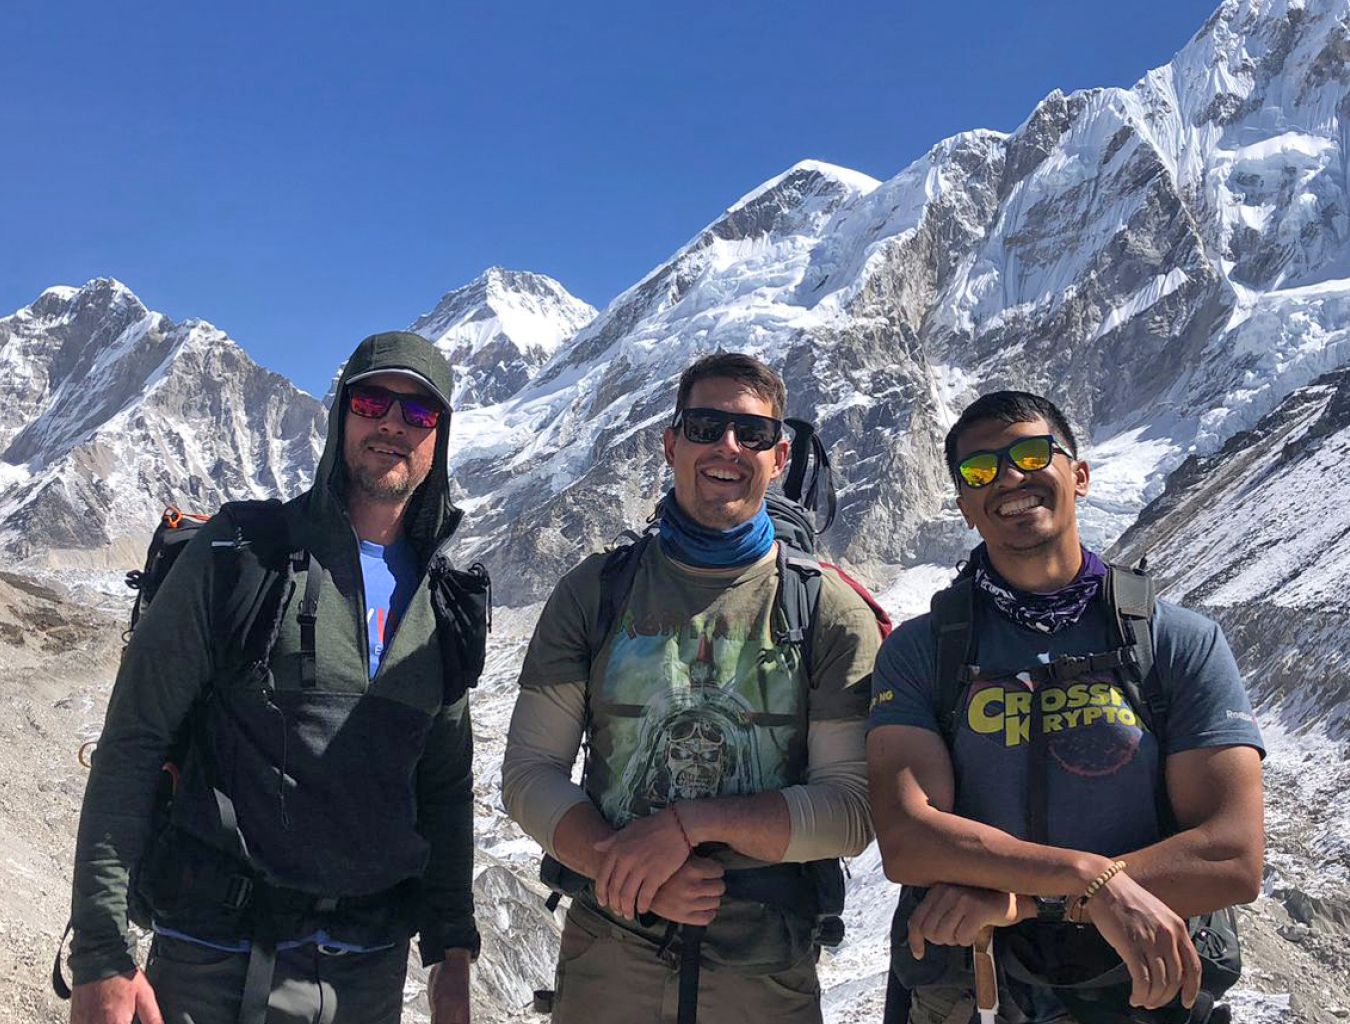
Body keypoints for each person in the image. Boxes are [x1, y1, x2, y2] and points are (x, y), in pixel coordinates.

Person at [67, 331, 483, 1024]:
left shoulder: (442, 605)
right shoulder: (242, 554)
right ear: (341, 412)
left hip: (369, 975)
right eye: (374, 400)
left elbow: (444, 790)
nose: (393, 424)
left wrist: (451, 955)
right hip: (213, 964)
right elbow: (134, 742)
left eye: (419, 413)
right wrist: (102, 955)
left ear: (440, 436)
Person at [501, 352, 879, 1024]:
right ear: (671, 443)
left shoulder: (828, 610)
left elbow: (852, 811)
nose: (727, 447)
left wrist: (687, 828)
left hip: (765, 972)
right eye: (705, 427)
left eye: (752, 433)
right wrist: (633, 870)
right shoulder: (594, 592)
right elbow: (531, 773)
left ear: (780, 455)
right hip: (610, 960)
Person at [867, 390, 1265, 1024]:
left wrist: (1027, 902)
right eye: (979, 470)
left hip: (1145, 982)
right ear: (966, 508)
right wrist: (1090, 881)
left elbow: (1232, 856)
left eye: (1031, 453)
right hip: (975, 979)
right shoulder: (922, 651)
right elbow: (909, 838)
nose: (1010, 476)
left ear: (1078, 475)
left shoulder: (1177, 639)